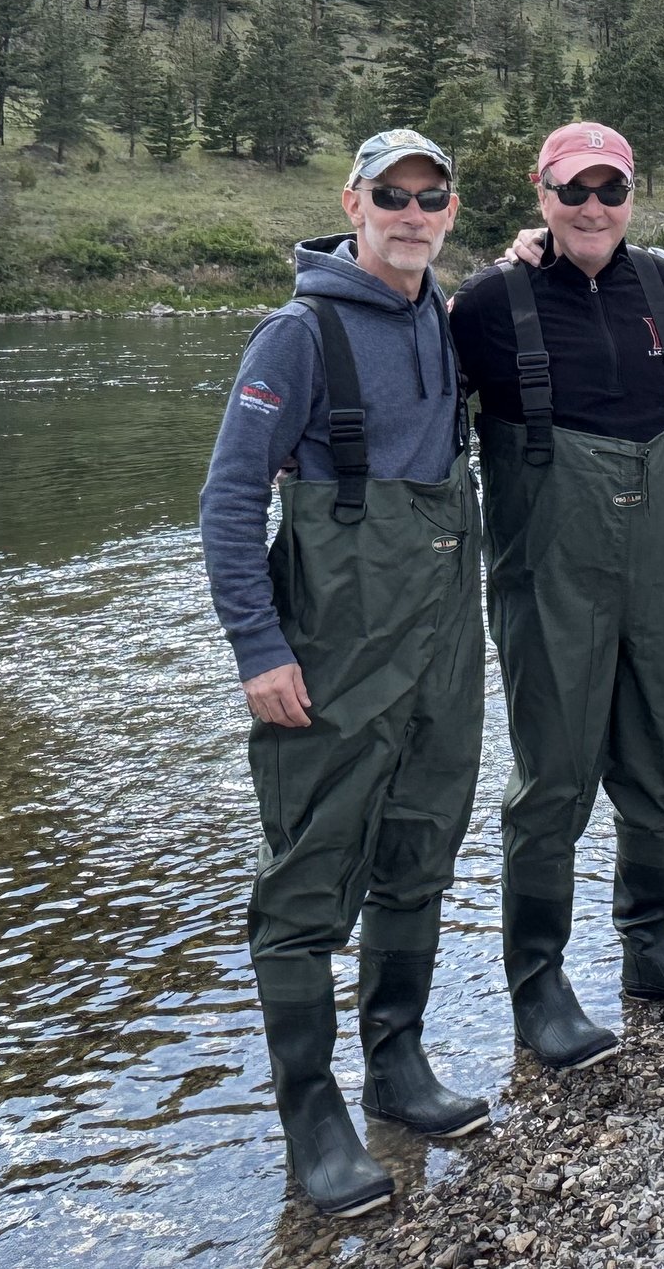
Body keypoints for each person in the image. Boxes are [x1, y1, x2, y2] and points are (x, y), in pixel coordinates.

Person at [198, 128, 485, 1219]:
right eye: (391, 195)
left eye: (431, 196)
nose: (411, 213)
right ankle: (311, 1111)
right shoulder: (296, 332)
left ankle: (397, 1065)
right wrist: (258, 650)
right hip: (329, 647)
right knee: (310, 875)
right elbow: (228, 501)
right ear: (352, 202)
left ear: (449, 212)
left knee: (421, 844)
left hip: (443, 643)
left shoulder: (444, 320)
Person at [451, 122, 664, 1073]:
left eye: (610, 190)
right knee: (553, 779)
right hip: (548, 581)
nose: (592, 208)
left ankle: (650, 943)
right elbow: (411, 417)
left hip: (660, 576)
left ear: (633, 197)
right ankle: (537, 982)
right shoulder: (488, 303)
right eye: (573, 190)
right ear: (539, 193)